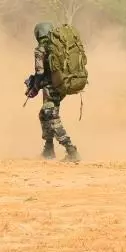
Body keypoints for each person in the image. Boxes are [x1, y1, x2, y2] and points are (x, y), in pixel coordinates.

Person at [29, 21, 80, 162]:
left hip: (51, 88)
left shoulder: (41, 49)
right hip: (61, 85)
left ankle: (71, 151)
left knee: (51, 116)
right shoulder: (58, 45)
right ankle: (48, 149)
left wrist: (34, 87)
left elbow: (39, 72)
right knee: (44, 115)